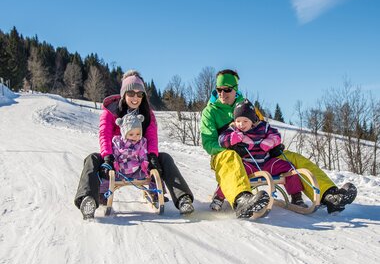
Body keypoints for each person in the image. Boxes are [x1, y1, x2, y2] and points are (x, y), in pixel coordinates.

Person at [200, 69, 357, 217]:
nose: (222, 93)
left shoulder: (247, 106)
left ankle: (329, 194)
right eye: (219, 89)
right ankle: (242, 200)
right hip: (225, 154)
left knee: (292, 158)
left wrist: (272, 144)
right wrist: (231, 147)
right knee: (230, 157)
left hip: (258, 153)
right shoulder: (210, 111)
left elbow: (262, 128)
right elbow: (209, 143)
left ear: (235, 89)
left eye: (226, 89)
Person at [75, 70, 194, 219]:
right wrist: (107, 158)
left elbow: (151, 137)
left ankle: (183, 198)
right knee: (92, 159)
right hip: (115, 157)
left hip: (139, 157)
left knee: (165, 158)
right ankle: (88, 200)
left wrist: (152, 157)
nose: (135, 98)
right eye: (131, 93)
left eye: (139, 94)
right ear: (124, 93)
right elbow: (104, 135)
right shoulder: (111, 111)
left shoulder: (147, 113)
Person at [214, 98, 308, 212]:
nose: (241, 124)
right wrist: (231, 138)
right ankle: (219, 196)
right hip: (247, 165)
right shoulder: (234, 129)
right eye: (238, 121)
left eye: (245, 121)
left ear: (252, 120)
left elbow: (276, 135)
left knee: (289, 167)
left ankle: (296, 196)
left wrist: (270, 141)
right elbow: (222, 139)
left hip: (266, 163)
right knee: (234, 173)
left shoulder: (263, 127)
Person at [98, 112, 150, 200]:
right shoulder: (118, 142)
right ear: (124, 133)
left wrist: (146, 167)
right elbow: (114, 155)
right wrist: (115, 165)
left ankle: (155, 193)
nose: (135, 137)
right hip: (120, 172)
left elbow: (143, 155)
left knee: (153, 174)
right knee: (107, 177)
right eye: (131, 134)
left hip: (136, 171)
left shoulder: (141, 142)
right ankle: (102, 195)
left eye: (138, 134)